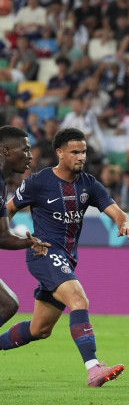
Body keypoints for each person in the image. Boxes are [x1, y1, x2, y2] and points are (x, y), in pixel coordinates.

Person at [1, 128, 129, 387]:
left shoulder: (89, 184)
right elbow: (8, 210)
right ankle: (94, 368)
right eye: (75, 152)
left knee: (40, 329)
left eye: (83, 151)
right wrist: (7, 236)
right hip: (44, 253)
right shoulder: (38, 182)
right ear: (60, 153)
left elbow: (118, 212)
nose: (81, 157)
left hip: (67, 259)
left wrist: (124, 223)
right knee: (78, 299)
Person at [0, 127, 50, 329]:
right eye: (26, 150)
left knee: (8, 304)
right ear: (6, 151)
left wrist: (29, 242)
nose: (30, 156)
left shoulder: (2, 185)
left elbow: (2, 236)